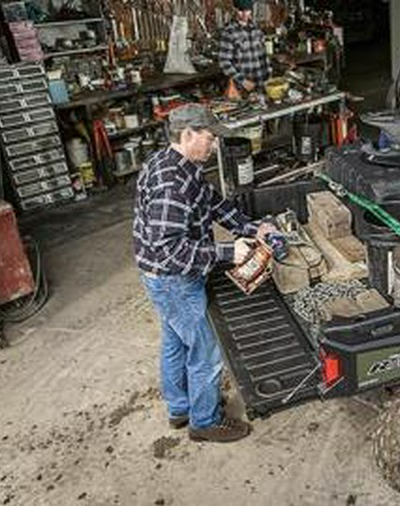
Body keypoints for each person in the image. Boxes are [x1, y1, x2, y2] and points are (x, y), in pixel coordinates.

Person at [133, 103, 275, 442]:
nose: (214, 146)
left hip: (163, 276)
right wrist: (229, 251)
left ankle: (180, 408)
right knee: (206, 351)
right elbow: (169, 251)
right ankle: (204, 421)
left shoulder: (183, 165)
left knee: (175, 342)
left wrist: (248, 227)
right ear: (187, 134)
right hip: (172, 279)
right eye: (210, 138)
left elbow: (211, 203)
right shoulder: (171, 184)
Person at [218, 0, 270, 93]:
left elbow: (264, 55)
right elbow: (224, 62)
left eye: (247, 10)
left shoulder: (257, 29)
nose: (244, 14)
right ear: (235, 9)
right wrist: (243, 81)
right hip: (242, 87)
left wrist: (269, 74)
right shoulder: (229, 32)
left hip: (261, 83)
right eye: (241, 11)